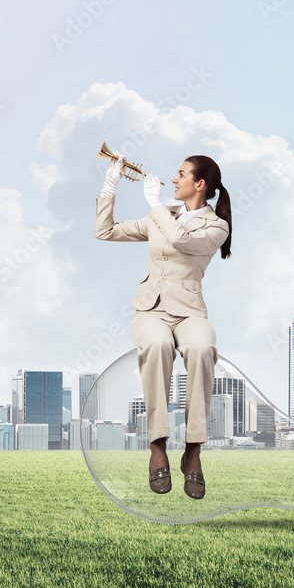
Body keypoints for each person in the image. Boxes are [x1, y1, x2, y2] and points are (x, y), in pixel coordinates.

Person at [95, 152, 232, 500]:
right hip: (151, 309)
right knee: (157, 345)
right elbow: (105, 231)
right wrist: (111, 182)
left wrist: (156, 205)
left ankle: (194, 451)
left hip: (189, 312)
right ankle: (157, 445)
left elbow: (181, 241)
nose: (174, 180)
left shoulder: (216, 227)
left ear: (199, 185)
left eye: (182, 174)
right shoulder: (162, 216)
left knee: (202, 348)